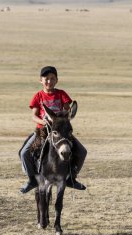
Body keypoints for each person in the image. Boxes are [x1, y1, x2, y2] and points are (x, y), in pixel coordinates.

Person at [19, 66, 87, 194]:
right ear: (41, 80)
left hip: (61, 132)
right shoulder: (38, 96)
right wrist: (42, 121)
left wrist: (63, 121)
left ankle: (71, 178)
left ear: (56, 80)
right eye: (46, 79)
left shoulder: (61, 94)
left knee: (82, 151)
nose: (49, 81)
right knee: (24, 153)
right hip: (43, 130)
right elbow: (34, 116)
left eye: (52, 79)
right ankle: (32, 180)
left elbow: (67, 111)